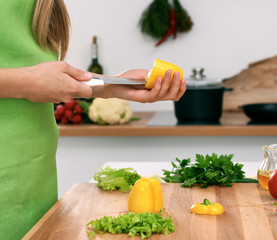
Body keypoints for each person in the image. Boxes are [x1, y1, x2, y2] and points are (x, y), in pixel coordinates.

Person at [0, 0, 186, 239]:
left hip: (33, 181)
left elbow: (25, 65)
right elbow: (28, 76)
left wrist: (111, 85)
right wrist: (27, 83)